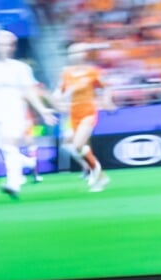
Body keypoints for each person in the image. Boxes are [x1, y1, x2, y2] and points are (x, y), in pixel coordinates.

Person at [0, 29, 58, 200]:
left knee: (9, 146)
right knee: (5, 149)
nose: (1, 48)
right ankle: (28, 163)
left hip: (16, 113)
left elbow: (30, 92)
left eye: (5, 44)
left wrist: (43, 110)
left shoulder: (21, 68)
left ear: (11, 46)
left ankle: (13, 184)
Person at [56, 44, 113, 191]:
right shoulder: (66, 73)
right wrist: (59, 103)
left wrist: (106, 100)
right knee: (82, 148)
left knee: (78, 145)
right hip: (73, 113)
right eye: (71, 53)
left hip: (88, 112)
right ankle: (100, 177)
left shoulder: (92, 72)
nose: (75, 55)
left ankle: (96, 174)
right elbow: (59, 92)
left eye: (78, 52)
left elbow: (105, 87)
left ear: (84, 55)